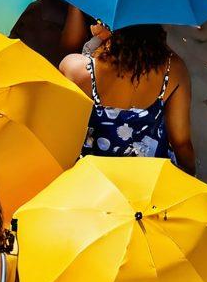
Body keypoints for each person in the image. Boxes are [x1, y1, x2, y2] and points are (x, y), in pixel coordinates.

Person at [59, 21, 195, 173]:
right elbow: (181, 142)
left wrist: (96, 42)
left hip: (94, 175)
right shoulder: (174, 69)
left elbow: (63, 137)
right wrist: (191, 175)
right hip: (149, 174)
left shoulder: (76, 69)